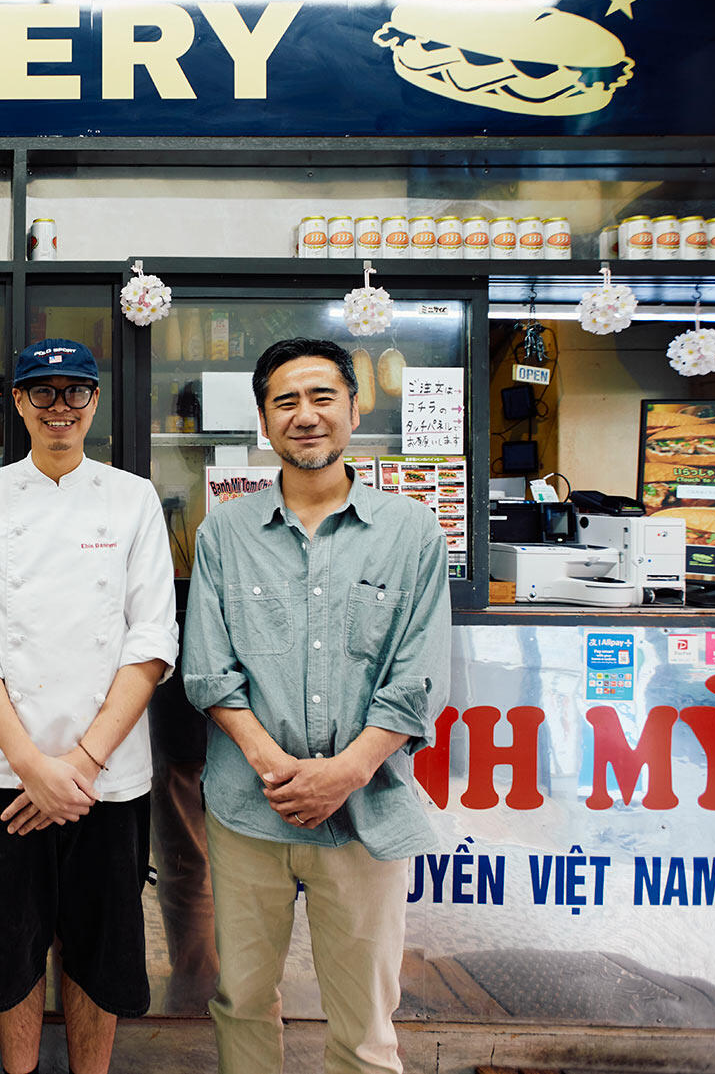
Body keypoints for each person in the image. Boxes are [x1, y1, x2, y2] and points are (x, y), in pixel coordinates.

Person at [180, 337, 452, 1074]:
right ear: (264, 424)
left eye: (322, 397)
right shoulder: (224, 533)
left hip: (366, 811)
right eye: (285, 402)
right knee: (240, 999)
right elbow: (208, 670)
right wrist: (279, 769)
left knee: (366, 1018)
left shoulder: (411, 530)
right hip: (247, 811)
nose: (306, 416)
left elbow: (420, 675)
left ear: (353, 409)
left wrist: (347, 771)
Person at [0, 338, 178, 1074]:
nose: (60, 408)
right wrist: (31, 766)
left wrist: (76, 765)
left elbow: (151, 640)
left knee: (100, 950)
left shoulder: (132, 497)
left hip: (106, 777)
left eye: (75, 391)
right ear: (19, 403)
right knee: (10, 947)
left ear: (95, 401)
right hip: (8, 774)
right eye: (42, 393)